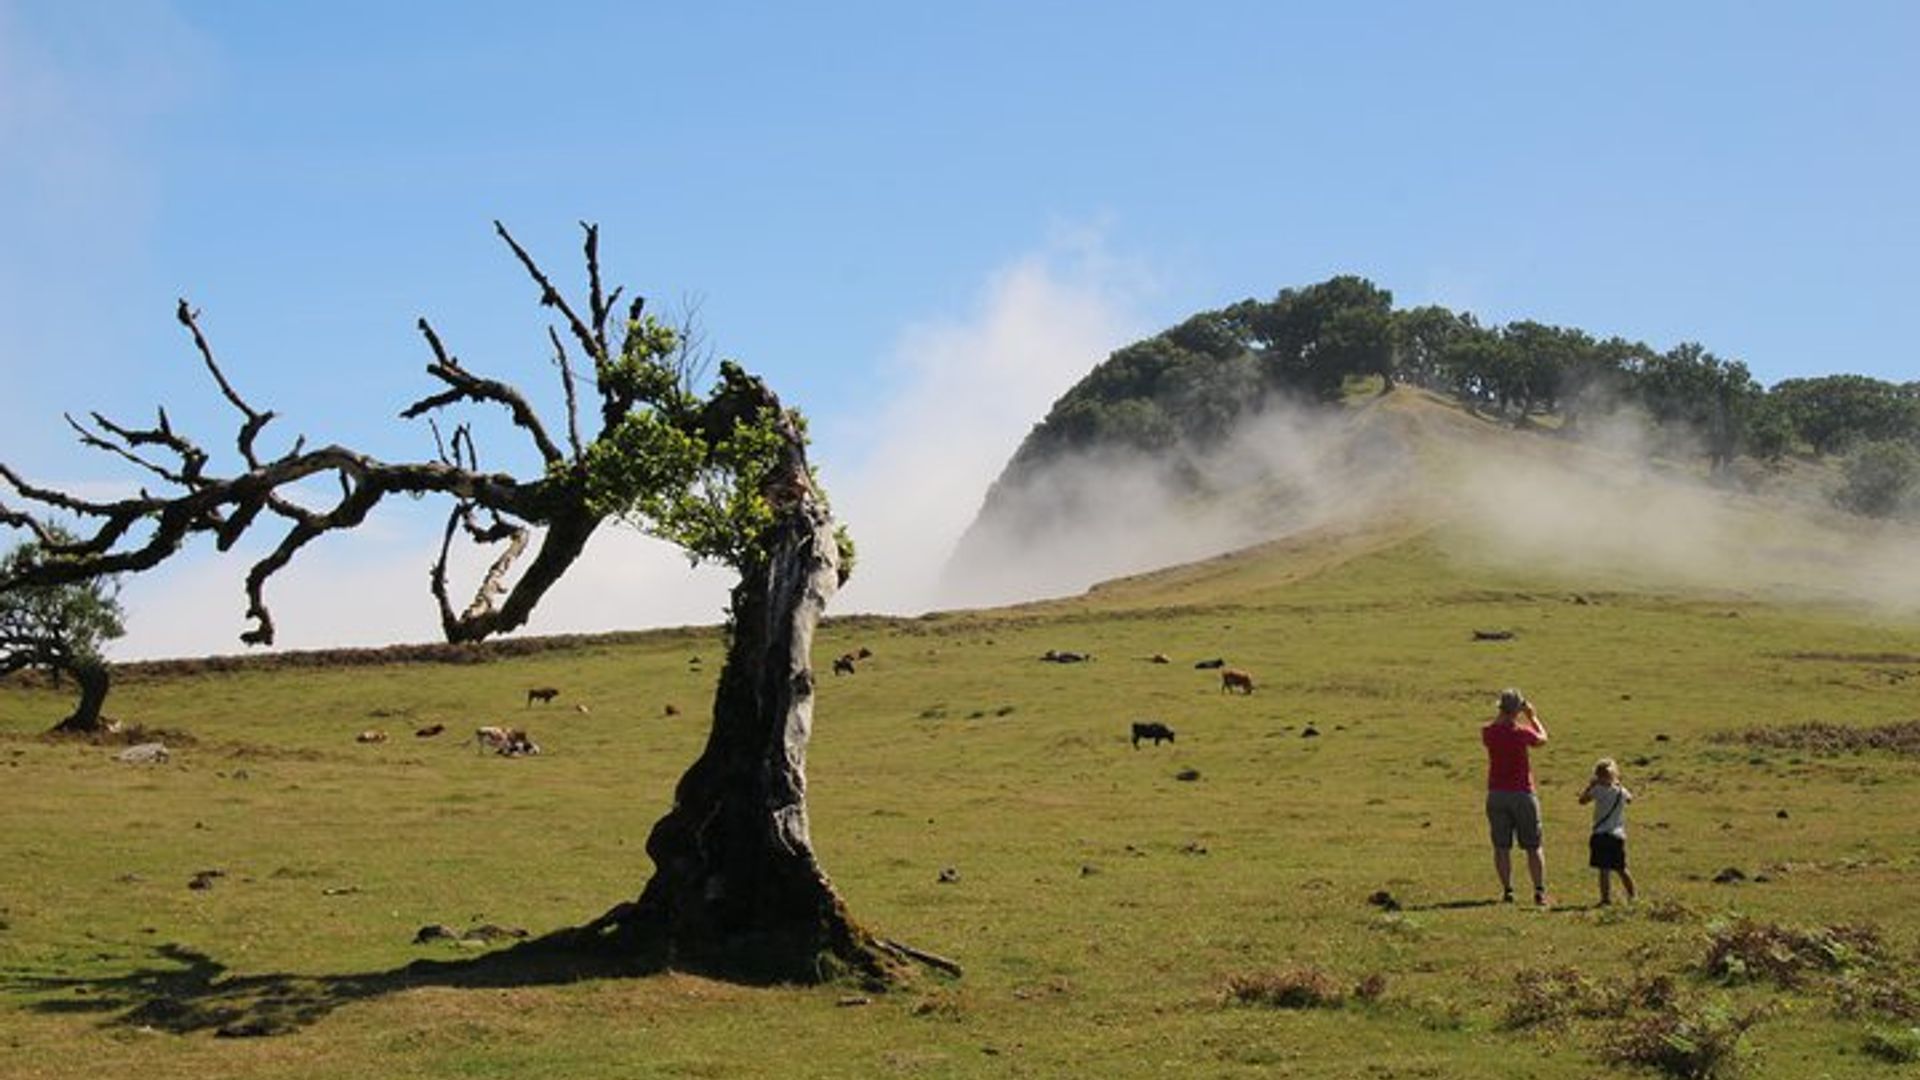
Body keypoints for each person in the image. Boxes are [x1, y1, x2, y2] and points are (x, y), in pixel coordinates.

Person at [1483, 688, 1549, 905]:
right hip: (1522, 793)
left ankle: (1508, 890)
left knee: (1501, 847)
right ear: (1517, 710)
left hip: (1496, 794)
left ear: (1500, 708)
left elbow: (1495, 725)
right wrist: (1532, 716)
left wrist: (1506, 712)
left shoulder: (1488, 733)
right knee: (1533, 845)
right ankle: (1539, 891)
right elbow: (1542, 739)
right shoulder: (1522, 733)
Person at [1577, 758, 1636, 905]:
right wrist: (1618, 785)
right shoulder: (1621, 792)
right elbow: (1630, 799)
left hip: (1600, 834)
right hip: (1617, 835)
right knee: (1622, 868)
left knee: (1604, 870)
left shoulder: (1597, 790)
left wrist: (1590, 786)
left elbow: (1582, 801)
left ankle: (1605, 899)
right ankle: (1633, 895)